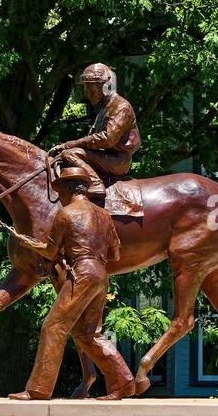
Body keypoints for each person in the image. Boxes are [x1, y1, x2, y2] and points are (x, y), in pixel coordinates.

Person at [9, 167, 135, 401]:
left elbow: (49, 251)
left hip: (83, 273)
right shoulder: (104, 215)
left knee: (53, 326)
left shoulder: (65, 214)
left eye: (60, 192)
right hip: (101, 274)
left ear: (68, 189)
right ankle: (124, 383)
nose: (59, 198)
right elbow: (115, 255)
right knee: (88, 334)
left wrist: (27, 243)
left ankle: (38, 390)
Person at [48, 62, 141, 200]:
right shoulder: (104, 108)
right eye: (86, 87)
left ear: (105, 87)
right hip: (106, 157)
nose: (87, 92)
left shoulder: (121, 106)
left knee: (69, 154)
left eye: (90, 87)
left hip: (117, 160)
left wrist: (72, 144)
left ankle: (96, 184)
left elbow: (107, 139)